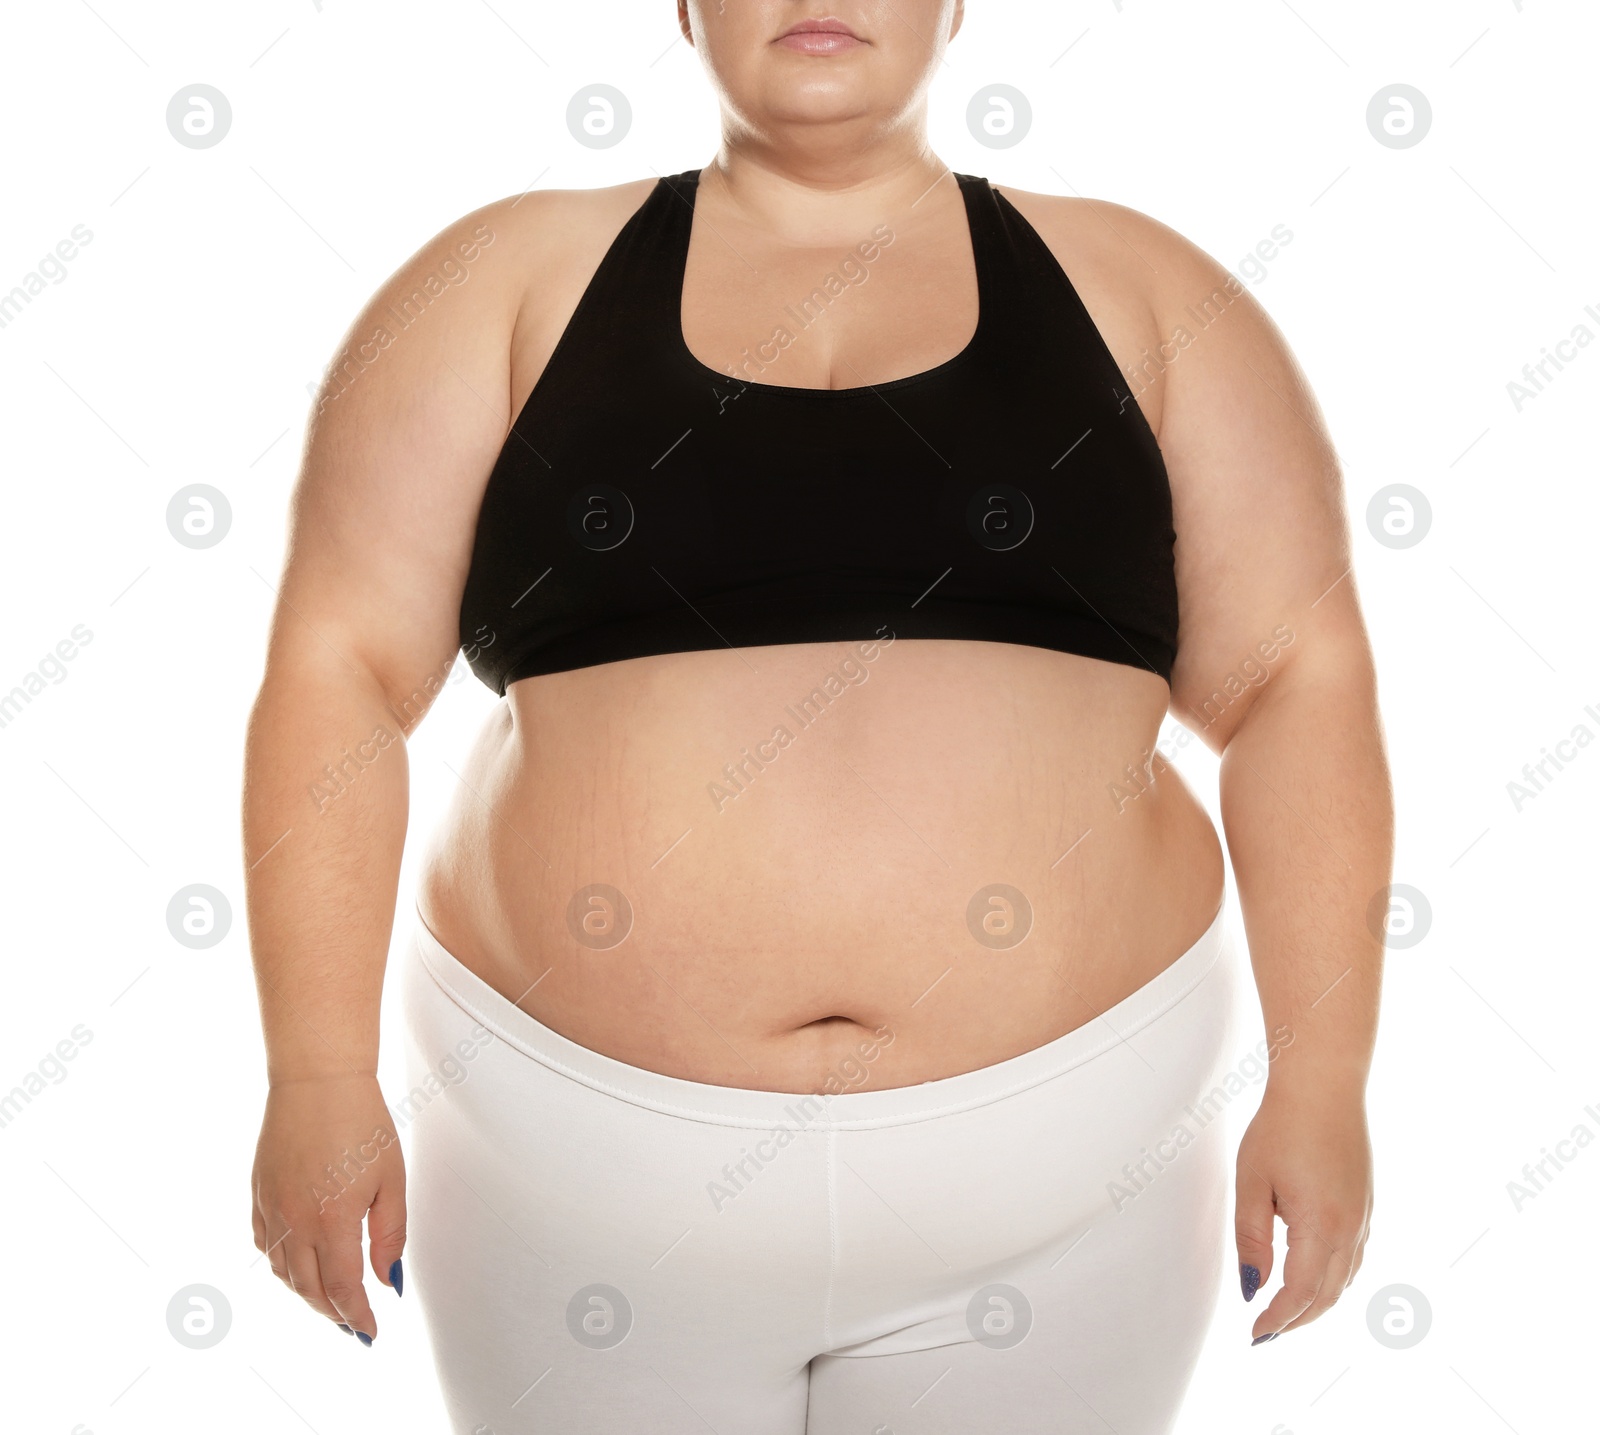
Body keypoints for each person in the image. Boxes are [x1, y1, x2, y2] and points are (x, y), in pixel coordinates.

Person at [243, 2, 1389, 1430]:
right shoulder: (499, 283)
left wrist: (1324, 1078)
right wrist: (316, 1072)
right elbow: (335, 669)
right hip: (577, 1175)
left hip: (1060, 1174)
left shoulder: (1147, 291)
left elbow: (1299, 684)